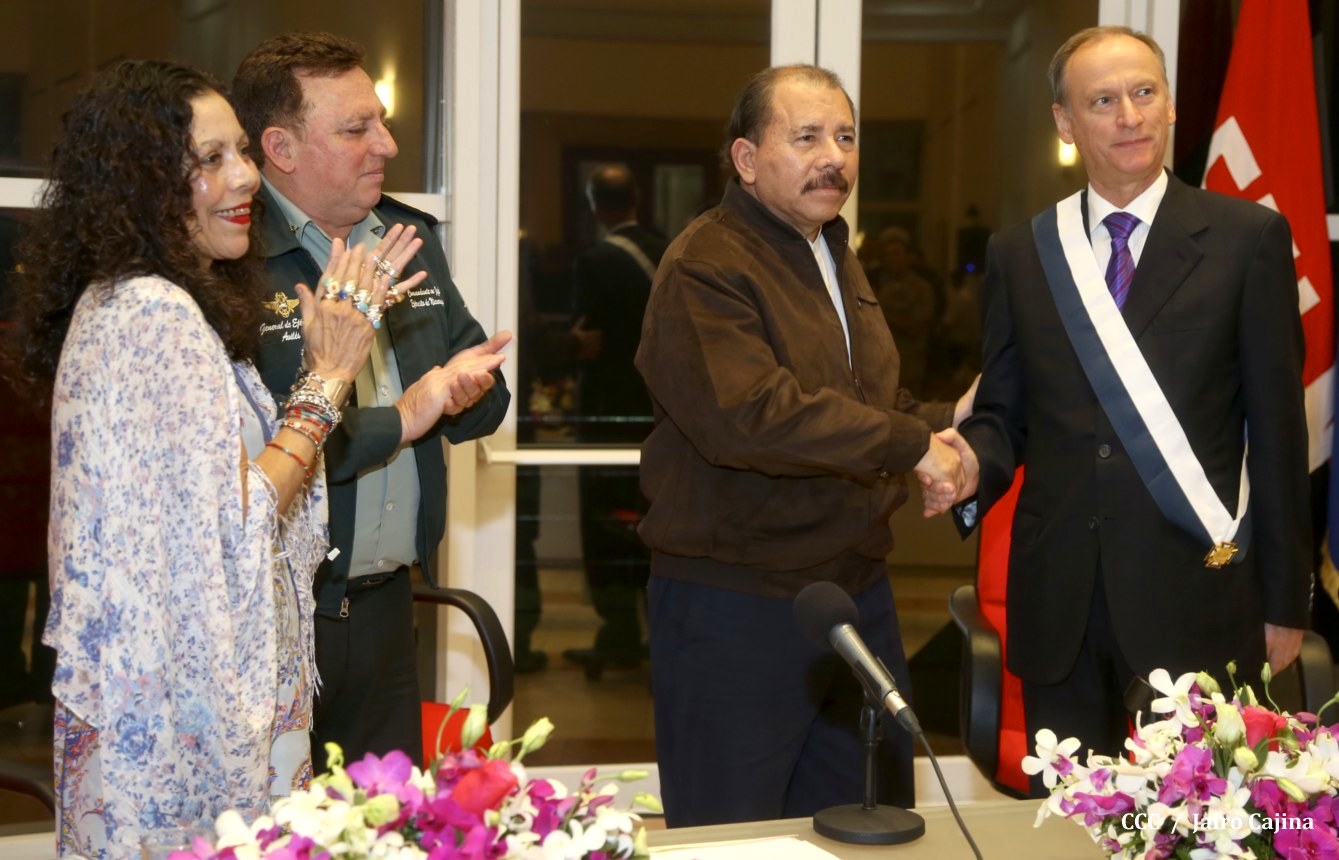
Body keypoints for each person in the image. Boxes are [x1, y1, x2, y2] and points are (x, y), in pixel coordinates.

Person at [9, 59, 415, 858]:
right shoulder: (157, 313)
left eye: (242, 153)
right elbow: (238, 519)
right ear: (141, 184)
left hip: (146, 700)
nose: (245, 179)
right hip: (184, 725)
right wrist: (327, 380)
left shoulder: (123, 298)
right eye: (210, 158)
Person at [946, 26, 1311, 775]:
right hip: (1061, 599)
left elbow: (1278, 433)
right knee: (1070, 819)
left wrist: (1284, 602)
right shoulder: (1022, 252)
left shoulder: (1246, 240)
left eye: (1145, 92)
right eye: (1103, 100)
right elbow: (1005, 412)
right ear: (1064, 121)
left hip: (1197, 591)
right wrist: (964, 464)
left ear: (1170, 104)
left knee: (1194, 823)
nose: (1129, 116)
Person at [635, 64, 974, 827]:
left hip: (852, 591)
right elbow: (752, 416)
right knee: (735, 835)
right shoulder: (705, 263)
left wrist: (948, 420)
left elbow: (863, 407)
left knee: (871, 826)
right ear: (746, 159)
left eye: (845, 138)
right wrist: (910, 444)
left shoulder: (832, 251)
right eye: (807, 137)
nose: (834, 158)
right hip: (737, 603)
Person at [232, 32, 512, 765]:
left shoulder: (405, 235)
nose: (386, 145)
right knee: (276, 817)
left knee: (382, 816)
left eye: (381, 122)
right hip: (280, 606)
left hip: (387, 603)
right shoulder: (234, 258)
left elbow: (476, 384)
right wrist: (404, 419)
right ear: (281, 148)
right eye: (356, 129)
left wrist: (467, 392)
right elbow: (264, 453)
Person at [564, 165, 667, 677]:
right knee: (655, 520)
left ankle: (619, 629)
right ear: (637, 198)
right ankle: (660, 630)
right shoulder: (669, 250)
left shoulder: (597, 260)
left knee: (606, 522)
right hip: (662, 413)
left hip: (608, 411)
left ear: (592, 205)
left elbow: (588, 337)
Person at [871, 226, 936, 396]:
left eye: (896, 254)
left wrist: (879, 311)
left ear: (908, 257)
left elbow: (916, 327)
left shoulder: (922, 288)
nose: (891, 259)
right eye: (887, 255)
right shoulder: (883, 287)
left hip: (910, 366)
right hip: (882, 367)